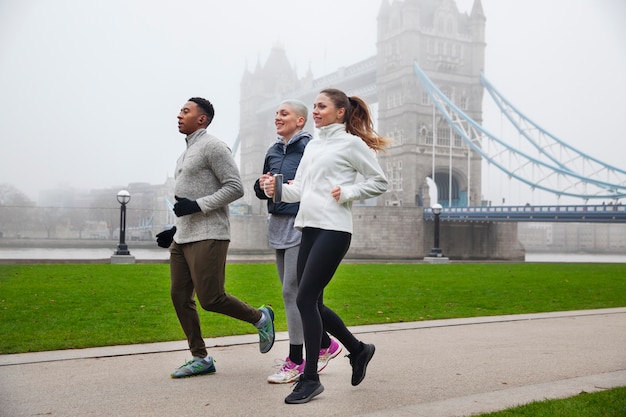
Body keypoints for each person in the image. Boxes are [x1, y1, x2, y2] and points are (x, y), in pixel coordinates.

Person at [262, 88, 390, 404]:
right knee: (312, 303)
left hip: (334, 230)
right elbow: (301, 190)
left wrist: (347, 192)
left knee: (304, 298)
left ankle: (310, 378)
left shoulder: (352, 144)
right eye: (315, 106)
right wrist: (274, 189)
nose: (316, 111)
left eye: (321, 106)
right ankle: (359, 350)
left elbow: (379, 182)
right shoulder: (315, 146)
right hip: (309, 228)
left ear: (340, 112)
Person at [155, 97, 275, 379]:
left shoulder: (214, 146)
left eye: (185, 111)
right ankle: (200, 357)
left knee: (211, 299)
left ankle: (260, 317)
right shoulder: (184, 154)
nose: (179, 115)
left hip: (210, 234)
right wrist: (175, 229)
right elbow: (187, 201)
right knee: (179, 296)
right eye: (180, 111)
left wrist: (196, 206)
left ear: (202, 119)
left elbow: (235, 188)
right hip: (183, 237)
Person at [254, 99, 342, 384]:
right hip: (277, 224)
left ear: (300, 120)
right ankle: (327, 343)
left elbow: (315, 185)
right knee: (294, 293)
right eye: (276, 113)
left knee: (291, 293)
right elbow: (267, 190)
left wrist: (288, 187)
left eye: (284, 113)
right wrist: (262, 186)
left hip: (302, 224)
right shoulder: (272, 150)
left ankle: (295, 360)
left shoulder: (309, 147)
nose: (277, 117)